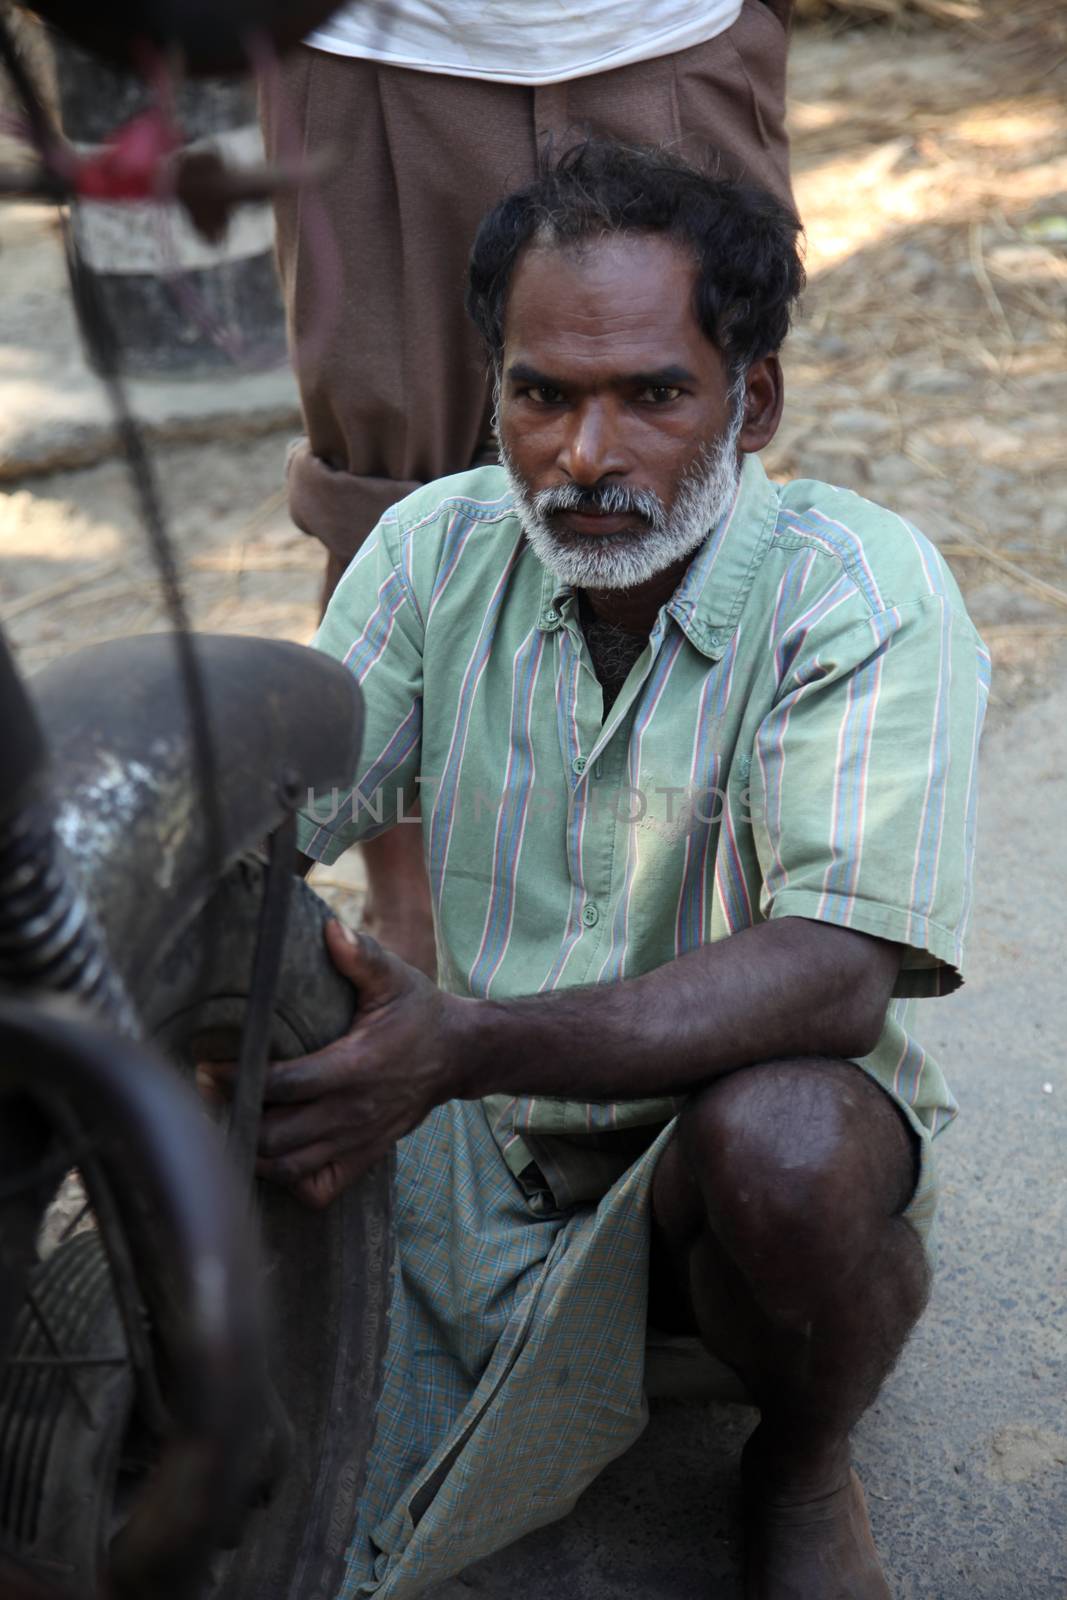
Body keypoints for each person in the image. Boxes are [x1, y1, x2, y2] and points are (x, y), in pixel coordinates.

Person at [204, 142, 989, 1599]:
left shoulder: (859, 593)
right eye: (540, 393)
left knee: (793, 1149)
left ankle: (800, 1455)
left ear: (748, 403)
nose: (582, 455)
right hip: (471, 1136)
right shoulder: (436, 552)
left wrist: (462, 1044)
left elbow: (832, 967)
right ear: (493, 391)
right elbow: (272, 821)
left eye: (652, 395)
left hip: (710, 1141)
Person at [260, 0, 796, 980]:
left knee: (683, 465)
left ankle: (696, 886)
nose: (585, 453)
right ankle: (411, 909)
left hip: (668, 31)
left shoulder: (874, 588)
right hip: (377, 45)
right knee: (379, 484)